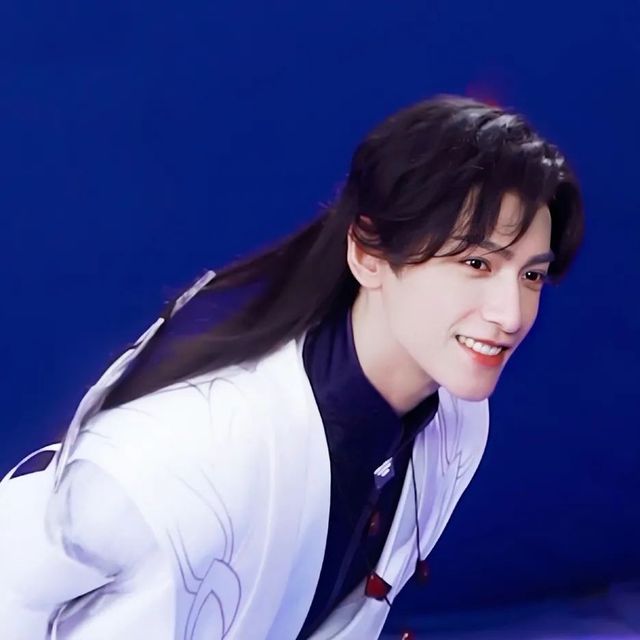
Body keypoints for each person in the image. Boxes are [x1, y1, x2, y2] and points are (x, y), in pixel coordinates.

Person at [0, 94, 584, 639]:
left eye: (531, 275)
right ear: (368, 254)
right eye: (476, 263)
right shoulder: (200, 453)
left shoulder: (454, 419)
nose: (511, 314)